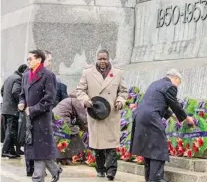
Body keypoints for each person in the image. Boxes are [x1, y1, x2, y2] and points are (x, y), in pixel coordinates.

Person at [130, 68, 195, 182]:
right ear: (175, 78)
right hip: (151, 117)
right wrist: (186, 118)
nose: (178, 86)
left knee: (149, 147)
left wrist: (173, 117)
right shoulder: (170, 86)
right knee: (158, 146)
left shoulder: (156, 83)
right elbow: (174, 104)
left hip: (140, 115)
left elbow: (157, 102)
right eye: (179, 82)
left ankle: (149, 177)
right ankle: (156, 178)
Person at [76, 49, 128, 181]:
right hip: (96, 113)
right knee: (98, 145)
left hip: (111, 114)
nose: (102, 61)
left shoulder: (118, 73)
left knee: (111, 144)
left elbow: (123, 92)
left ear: (109, 59)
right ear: (96, 59)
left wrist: (120, 101)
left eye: (105, 59)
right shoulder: (87, 73)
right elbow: (80, 90)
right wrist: (85, 100)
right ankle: (100, 169)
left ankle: (111, 171)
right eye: (100, 59)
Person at [18, 49, 62, 182]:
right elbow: (22, 94)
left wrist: (33, 109)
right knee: (40, 149)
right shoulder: (26, 75)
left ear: (39, 60)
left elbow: (49, 99)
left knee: (39, 151)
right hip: (29, 119)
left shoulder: (48, 75)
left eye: (30, 59)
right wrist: (22, 103)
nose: (28, 61)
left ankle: (37, 179)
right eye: (27, 59)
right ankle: (55, 170)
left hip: (42, 118)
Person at [52, 90, 88, 165]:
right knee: (73, 135)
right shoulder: (77, 101)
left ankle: (62, 158)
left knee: (64, 136)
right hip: (62, 118)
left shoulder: (70, 99)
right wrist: (87, 128)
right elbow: (83, 117)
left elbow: (78, 118)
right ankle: (64, 157)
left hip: (56, 117)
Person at [1, 64, 28, 158]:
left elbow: (2, 90)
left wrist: (6, 102)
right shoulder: (18, 79)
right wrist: (20, 103)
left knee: (12, 130)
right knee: (11, 130)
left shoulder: (10, 77)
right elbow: (15, 92)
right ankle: (4, 151)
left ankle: (12, 151)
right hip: (12, 109)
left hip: (6, 108)